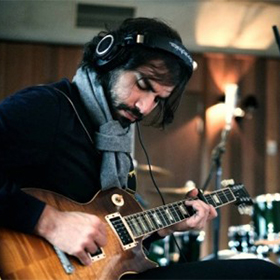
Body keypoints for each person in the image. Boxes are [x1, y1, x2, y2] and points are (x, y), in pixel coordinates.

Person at [0, 17, 279, 279]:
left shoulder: (115, 142)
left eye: (158, 99)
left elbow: (114, 239)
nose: (145, 107)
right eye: (143, 85)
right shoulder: (48, 107)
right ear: (109, 60)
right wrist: (48, 221)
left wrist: (170, 225)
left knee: (260, 271)